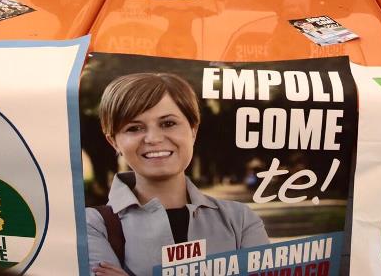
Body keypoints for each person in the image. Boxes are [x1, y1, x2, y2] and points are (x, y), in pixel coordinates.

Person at [87, 73, 269, 276]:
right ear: (113, 141)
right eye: (134, 128)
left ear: (193, 130)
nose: (153, 138)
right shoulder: (92, 225)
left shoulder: (240, 220)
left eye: (168, 124)